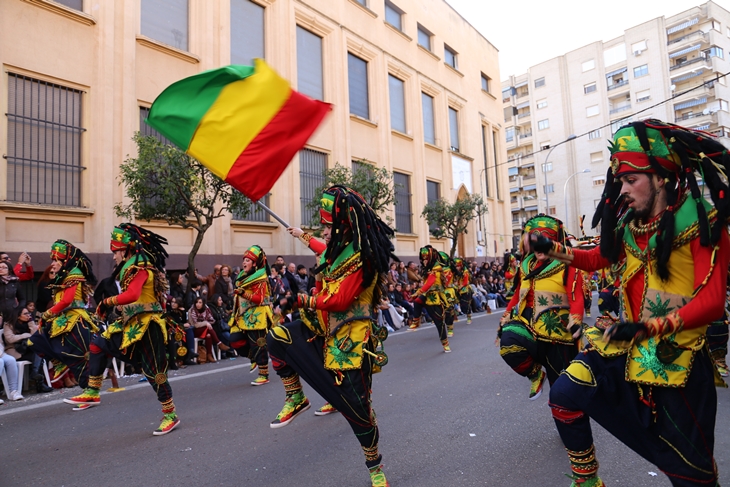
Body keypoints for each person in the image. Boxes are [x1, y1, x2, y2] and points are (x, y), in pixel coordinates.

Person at [533, 120, 730, 486]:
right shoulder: (630, 227)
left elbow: (714, 301)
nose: (621, 189)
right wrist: (556, 250)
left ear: (661, 177)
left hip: (680, 364)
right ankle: (588, 480)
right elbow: (598, 258)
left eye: (631, 180)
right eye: (619, 181)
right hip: (631, 350)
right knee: (565, 391)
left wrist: (647, 327)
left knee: (692, 478)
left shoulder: (704, 221)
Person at [267, 185, 395, 487]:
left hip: (350, 342)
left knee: (358, 414)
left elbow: (339, 300)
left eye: (328, 225)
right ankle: (295, 396)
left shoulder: (362, 257)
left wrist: (299, 300)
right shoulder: (339, 251)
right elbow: (324, 251)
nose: (324, 230)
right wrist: (301, 235)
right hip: (322, 329)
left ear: (344, 226)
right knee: (278, 338)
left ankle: (375, 467)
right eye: (324, 226)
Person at [68, 223, 180, 435]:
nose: (114, 257)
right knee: (98, 343)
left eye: (116, 251)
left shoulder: (141, 266)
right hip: (132, 325)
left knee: (154, 372)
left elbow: (134, 294)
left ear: (127, 249)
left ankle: (170, 415)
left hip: (148, 327)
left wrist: (107, 302)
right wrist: (119, 307)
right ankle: (92, 390)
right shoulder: (133, 267)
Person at [498, 215, 584, 401]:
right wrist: (506, 315)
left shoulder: (568, 264)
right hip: (529, 326)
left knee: (561, 388)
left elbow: (576, 296)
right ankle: (536, 374)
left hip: (558, 335)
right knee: (508, 341)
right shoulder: (526, 266)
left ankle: (569, 422)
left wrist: (576, 320)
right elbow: (518, 292)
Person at [21, 240, 96, 397]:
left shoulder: (74, 273)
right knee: (35, 341)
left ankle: (90, 392)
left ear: (65, 260)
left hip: (75, 320)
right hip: (61, 320)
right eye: (52, 260)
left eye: (56, 260)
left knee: (80, 358)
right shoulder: (62, 275)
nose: (53, 264)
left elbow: (67, 300)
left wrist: (48, 314)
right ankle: (59, 363)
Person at [229, 245, 274, 385]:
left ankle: (264, 374)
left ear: (255, 263)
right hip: (242, 315)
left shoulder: (261, 278)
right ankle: (253, 358)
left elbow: (259, 299)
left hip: (257, 315)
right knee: (235, 340)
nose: (244, 263)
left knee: (259, 344)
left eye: (248, 260)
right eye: (244, 260)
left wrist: (243, 293)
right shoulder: (242, 276)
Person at [409, 245, 451, 353]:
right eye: (423, 259)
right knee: (417, 302)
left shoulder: (436, 269)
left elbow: (429, 283)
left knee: (439, 322)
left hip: (435, 296)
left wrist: (418, 292)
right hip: (428, 294)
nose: (424, 261)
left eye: (426, 259)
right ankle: (416, 321)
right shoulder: (428, 268)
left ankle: (445, 343)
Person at [4, 307, 52, 393]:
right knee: (39, 353)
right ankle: (39, 382)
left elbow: (35, 336)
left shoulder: (29, 322)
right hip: (15, 351)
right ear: (18, 316)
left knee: (40, 352)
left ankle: (36, 375)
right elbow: (10, 339)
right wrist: (25, 335)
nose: (28, 315)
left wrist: (31, 324)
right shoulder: (8, 324)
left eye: (29, 313)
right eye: (25, 314)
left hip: (28, 349)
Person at [188, 297, 230, 364]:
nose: (198, 304)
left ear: (203, 304)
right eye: (196, 302)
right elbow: (195, 324)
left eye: (200, 302)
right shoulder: (192, 310)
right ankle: (219, 343)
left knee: (209, 335)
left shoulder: (206, 309)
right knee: (208, 328)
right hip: (194, 330)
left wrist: (207, 323)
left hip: (205, 330)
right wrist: (205, 323)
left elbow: (212, 320)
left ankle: (209, 355)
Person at [454, 258, 477, 324]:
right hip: (458, 289)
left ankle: (469, 317)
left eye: (458, 266)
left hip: (465, 290)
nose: (457, 267)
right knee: (461, 304)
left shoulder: (465, 271)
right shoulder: (456, 272)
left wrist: (460, 287)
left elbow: (465, 282)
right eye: (456, 266)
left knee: (466, 305)